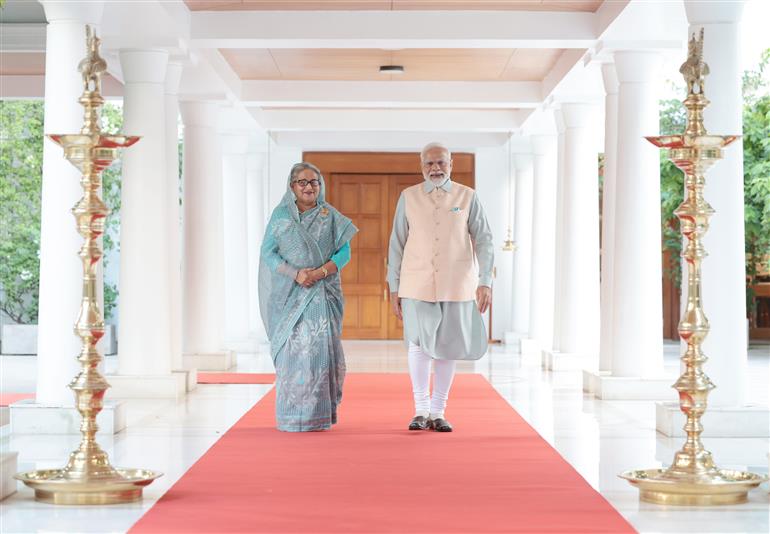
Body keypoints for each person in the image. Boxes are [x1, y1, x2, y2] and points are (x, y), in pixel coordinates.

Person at [387, 142, 494, 432]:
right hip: (415, 281)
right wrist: (393, 284)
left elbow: (483, 239)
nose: (435, 168)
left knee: (447, 347)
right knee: (418, 345)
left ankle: (439, 411)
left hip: (457, 283)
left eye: (440, 163)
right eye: (429, 164)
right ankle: (420, 409)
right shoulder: (408, 197)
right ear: (422, 165)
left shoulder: (467, 196)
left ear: (451, 164)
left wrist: (485, 281)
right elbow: (396, 242)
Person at [259, 162, 358, 432]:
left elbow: (344, 253)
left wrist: (319, 272)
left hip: (322, 294)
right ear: (292, 186)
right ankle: (290, 415)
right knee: (291, 355)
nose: (309, 187)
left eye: (314, 182)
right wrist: (296, 274)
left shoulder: (331, 216)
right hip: (289, 295)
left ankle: (318, 416)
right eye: (302, 182)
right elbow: (268, 254)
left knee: (318, 354)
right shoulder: (280, 217)